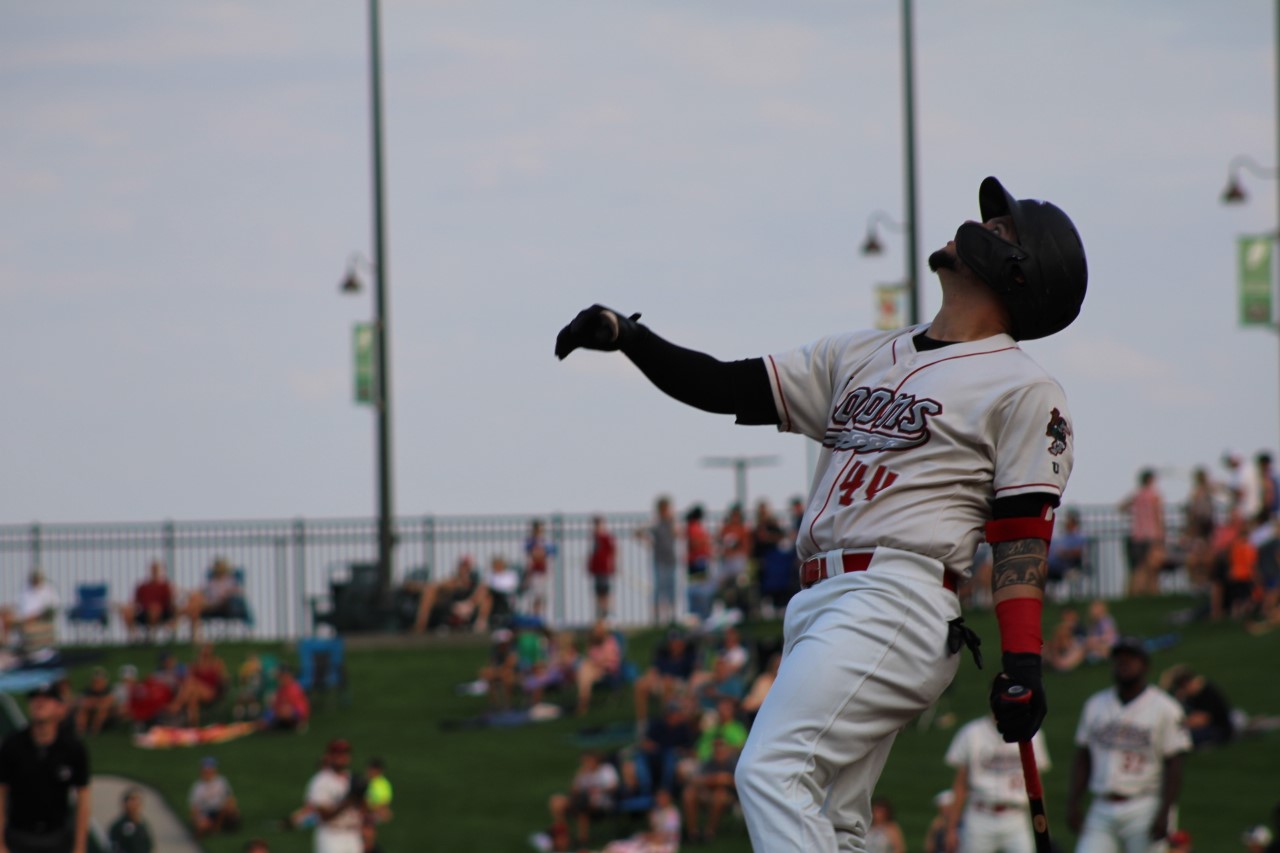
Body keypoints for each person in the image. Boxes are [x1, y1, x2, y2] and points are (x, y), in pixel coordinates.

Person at [556, 174, 1086, 851]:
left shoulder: (1023, 386)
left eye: (1003, 228)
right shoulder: (862, 353)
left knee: (773, 770)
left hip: (899, 597)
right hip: (822, 602)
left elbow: (1019, 535)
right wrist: (630, 336)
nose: (978, 224)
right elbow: (726, 385)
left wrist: (1024, 662)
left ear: (1020, 271)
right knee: (834, 825)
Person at [1067, 636, 1190, 852]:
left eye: (1131, 658)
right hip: (1102, 805)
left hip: (1145, 804)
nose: (1123, 663)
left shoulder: (1166, 708)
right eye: (1119, 658)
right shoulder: (1095, 705)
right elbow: (1083, 757)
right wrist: (1074, 802)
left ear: (1144, 665)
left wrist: (1165, 812)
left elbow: (1175, 764)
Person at [0, 682, 92, 853]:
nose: (39, 704)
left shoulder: (72, 748)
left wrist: (80, 846)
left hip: (57, 837)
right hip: (19, 836)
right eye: (35, 699)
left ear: (59, 707)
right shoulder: (13, 744)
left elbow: (83, 796)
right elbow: (1, 792)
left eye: (46, 699)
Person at [943, 713, 1051, 853]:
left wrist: (1043, 827)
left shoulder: (1032, 733)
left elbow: (1036, 786)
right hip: (979, 816)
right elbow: (960, 785)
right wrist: (951, 829)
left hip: (1016, 818)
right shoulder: (971, 732)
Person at [301, 738, 364, 853]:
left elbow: (363, 810)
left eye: (345, 752)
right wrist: (348, 801)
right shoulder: (321, 781)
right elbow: (324, 815)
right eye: (337, 753)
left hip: (353, 834)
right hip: (331, 835)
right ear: (329, 756)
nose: (342, 756)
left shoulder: (353, 778)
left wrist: (361, 798)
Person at [548, 749, 620, 849]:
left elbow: (614, 787)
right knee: (556, 801)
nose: (586, 763)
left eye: (588, 760)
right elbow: (573, 791)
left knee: (582, 805)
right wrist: (579, 776)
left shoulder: (606, 769)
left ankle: (581, 840)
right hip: (581, 801)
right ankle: (562, 835)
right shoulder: (584, 772)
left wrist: (599, 790)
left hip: (601, 803)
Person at [1160, 664, 1235, 749]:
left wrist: (1179, 724)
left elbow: (1202, 720)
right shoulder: (1191, 695)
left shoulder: (1207, 692)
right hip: (1210, 728)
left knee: (1181, 736)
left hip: (1219, 730)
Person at [681, 737, 739, 844]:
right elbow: (696, 780)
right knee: (689, 793)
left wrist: (728, 780)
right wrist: (715, 779)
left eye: (721, 747)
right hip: (708, 794)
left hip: (731, 798)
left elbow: (739, 784)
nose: (718, 750)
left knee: (720, 795)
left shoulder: (735, 763)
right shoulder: (709, 762)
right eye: (716, 748)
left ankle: (709, 833)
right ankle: (693, 834)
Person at [1120, 468, 1166, 597]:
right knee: (1152, 566)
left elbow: (1121, 507)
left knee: (1138, 567)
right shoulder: (1154, 495)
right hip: (1151, 535)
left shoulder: (1137, 495)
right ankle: (1152, 591)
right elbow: (1158, 515)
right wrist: (1162, 534)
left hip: (1137, 535)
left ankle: (1134, 592)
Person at [183, 558, 248, 642]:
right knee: (195, 603)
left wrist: (227, 594)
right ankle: (196, 638)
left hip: (223, 605)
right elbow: (202, 591)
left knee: (194, 606)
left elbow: (238, 592)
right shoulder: (212, 581)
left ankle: (179, 619)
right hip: (209, 604)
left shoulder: (229, 581)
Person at [639, 497, 679, 626]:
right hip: (660, 561)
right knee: (659, 589)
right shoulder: (656, 525)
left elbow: (678, 533)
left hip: (671, 560)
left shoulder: (671, 523)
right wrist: (648, 541)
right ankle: (656, 618)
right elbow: (638, 532)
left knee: (671, 588)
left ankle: (672, 616)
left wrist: (673, 521)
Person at [168, 643, 229, 726]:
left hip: (211, 692)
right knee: (193, 697)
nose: (205, 652)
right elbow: (185, 679)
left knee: (192, 682)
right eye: (204, 650)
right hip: (197, 692)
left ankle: (177, 705)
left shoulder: (217, 663)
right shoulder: (195, 665)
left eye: (207, 650)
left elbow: (225, 680)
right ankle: (193, 725)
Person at [117, 560, 177, 642]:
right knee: (127, 610)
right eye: (153, 569)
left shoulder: (166, 586)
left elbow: (171, 603)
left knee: (155, 609)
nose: (154, 572)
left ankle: (151, 636)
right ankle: (133, 638)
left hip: (162, 613)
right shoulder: (142, 587)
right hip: (144, 613)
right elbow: (134, 603)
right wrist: (126, 608)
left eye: (156, 570)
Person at [0, 570, 60, 651]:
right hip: (25, 617)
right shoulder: (26, 590)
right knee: (5, 617)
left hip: (36, 618)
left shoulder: (48, 591)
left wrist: (35, 616)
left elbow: (52, 607)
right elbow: (19, 604)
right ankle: (5, 646)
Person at [188, 756, 240, 837]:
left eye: (210, 770)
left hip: (220, 810)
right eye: (206, 771)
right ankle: (208, 829)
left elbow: (230, 798)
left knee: (231, 813)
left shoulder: (221, 781)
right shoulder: (197, 787)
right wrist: (198, 819)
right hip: (206, 813)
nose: (208, 773)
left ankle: (218, 827)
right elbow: (194, 808)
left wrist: (231, 808)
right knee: (201, 824)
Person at [685, 505, 715, 621]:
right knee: (699, 591)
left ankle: (701, 614)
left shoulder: (693, 526)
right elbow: (694, 543)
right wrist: (705, 543)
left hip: (699, 562)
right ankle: (700, 615)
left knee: (702, 590)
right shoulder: (693, 527)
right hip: (697, 563)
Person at [524, 519, 557, 619]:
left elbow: (552, 552)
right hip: (535, 572)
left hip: (545, 571)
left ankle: (543, 616)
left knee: (545, 595)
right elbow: (531, 555)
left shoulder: (546, 541)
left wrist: (541, 553)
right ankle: (535, 616)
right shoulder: (530, 541)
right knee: (535, 595)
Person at [588, 515, 618, 621]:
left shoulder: (606, 538)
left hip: (604, 568)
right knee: (598, 591)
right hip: (597, 569)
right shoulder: (594, 538)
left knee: (605, 591)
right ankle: (600, 612)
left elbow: (614, 551)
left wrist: (613, 565)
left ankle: (606, 611)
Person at [262, 664, 310, 731]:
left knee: (285, 711)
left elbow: (300, 708)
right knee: (269, 714)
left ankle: (297, 723)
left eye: (280, 676)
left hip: (295, 713)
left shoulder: (294, 688)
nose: (279, 679)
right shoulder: (281, 689)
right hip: (283, 713)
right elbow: (277, 704)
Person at [107, 788, 153, 853]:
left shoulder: (143, 824)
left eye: (137, 800)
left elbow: (149, 846)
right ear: (125, 803)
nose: (135, 803)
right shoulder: (118, 826)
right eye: (132, 800)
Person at [1045, 607, 1086, 673]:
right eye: (1065, 616)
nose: (1066, 618)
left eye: (1068, 616)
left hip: (1073, 650)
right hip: (1061, 651)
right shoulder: (1062, 627)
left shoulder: (1079, 629)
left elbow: (1080, 643)